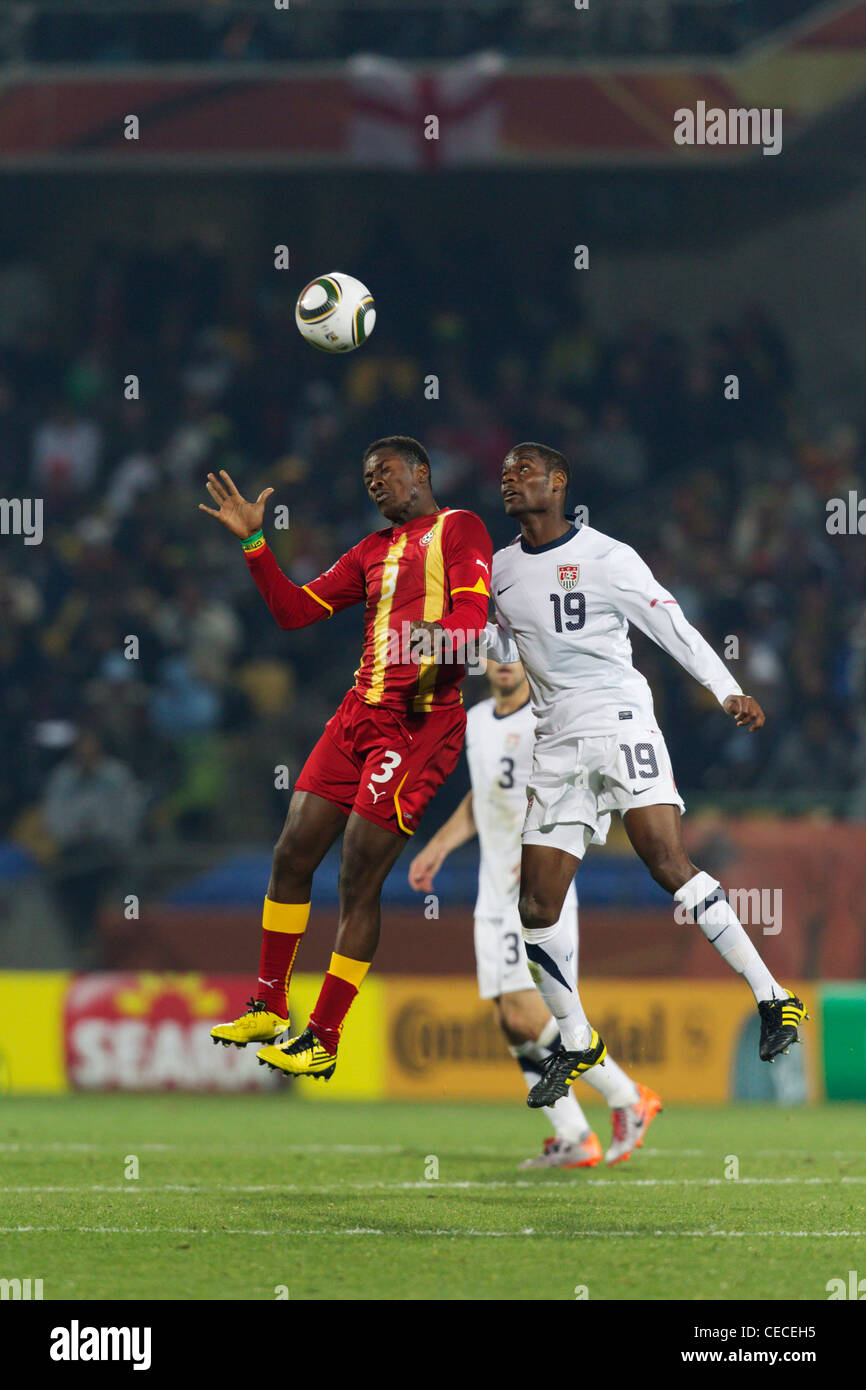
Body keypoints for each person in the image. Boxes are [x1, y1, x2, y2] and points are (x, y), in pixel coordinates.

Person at [484, 442, 807, 1108]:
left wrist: (726, 689)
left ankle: (774, 998)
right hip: (557, 745)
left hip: (623, 721)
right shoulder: (500, 570)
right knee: (535, 909)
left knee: (665, 861)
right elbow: (486, 645)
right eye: (506, 473)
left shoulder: (608, 557)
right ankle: (575, 1041)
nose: (511, 481)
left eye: (525, 471)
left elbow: (671, 626)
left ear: (559, 482)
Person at [199, 438, 493, 1080]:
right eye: (366, 476)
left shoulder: (459, 529)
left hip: (417, 724)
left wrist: (429, 637)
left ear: (421, 472)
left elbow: (474, 621)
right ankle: (269, 1003)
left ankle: (323, 1036)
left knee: (357, 873)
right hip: (357, 715)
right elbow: (294, 611)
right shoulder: (369, 551)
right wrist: (254, 545)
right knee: (292, 852)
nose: (374, 483)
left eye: (384, 472)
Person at [408, 657, 660, 1168]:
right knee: (508, 1018)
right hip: (491, 890)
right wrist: (437, 846)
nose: (503, 662)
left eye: (513, 652)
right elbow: (483, 798)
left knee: (526, 1011)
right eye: (494, 653)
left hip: (538, 892)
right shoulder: (477, 720)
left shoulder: (550, 716)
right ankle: (573, 1135)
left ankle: (626, 1094)